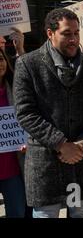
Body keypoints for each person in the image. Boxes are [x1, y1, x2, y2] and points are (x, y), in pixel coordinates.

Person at [14, 8, 83, 218]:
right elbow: (26, 112)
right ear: (49, 33)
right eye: (66, 33)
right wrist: (61, 144)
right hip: (45, 166)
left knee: (81, 215)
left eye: (76, 33)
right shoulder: (28, 64)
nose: (73, 39)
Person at [0, 48, 26, 217]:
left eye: (0, 59)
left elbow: (28, 118)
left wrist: (26, 139)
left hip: (12, 167)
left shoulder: (17, 88)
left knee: (17, 212)